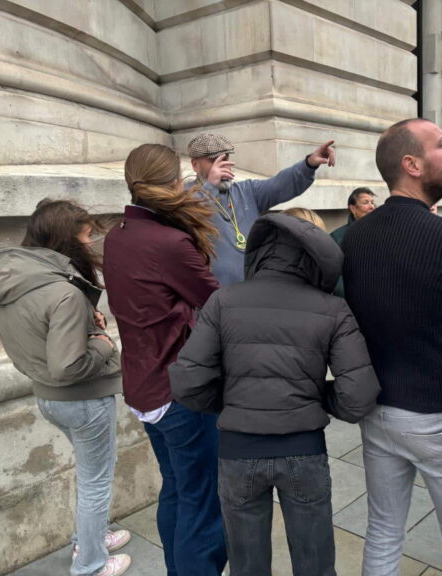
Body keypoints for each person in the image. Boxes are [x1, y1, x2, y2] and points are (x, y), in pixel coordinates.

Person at [169, 210, 380, 576]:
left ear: (263, 248)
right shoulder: (332, 308)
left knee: (247, 567)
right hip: (303, 450)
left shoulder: (223, 301)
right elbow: (358, 396)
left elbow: (187, 381)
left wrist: (234, 401)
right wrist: (317, 398)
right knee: (315, 565)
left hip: (238, 451)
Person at [342, 118, 442, 576]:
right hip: (439, 414)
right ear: (411, 164)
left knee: (383, 532)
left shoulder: (354, 237)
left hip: (379, 409)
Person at [0, 200, 129, 576]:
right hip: (83, 398)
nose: (91, 241)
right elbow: (68, 365)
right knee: (97, 478)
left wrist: (85, 320)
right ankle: (91, 563)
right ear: (66, 240)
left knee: (90, 472)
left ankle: (90, 538)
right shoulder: (62, 292)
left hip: (47, 396)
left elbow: (36, 334)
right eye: (86, 235)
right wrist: (101, 342)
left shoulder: (10, 277)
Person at [103, 144, 225, 576]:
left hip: (144, 384)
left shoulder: (118, 234)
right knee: (201, 499)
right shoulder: (169, 242)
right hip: (180, 391)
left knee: (177, 488)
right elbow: (218, 303)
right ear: (174, 181)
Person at [186, 132, 336, 285]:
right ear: (195, 165)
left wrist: (309, 164)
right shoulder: (184, 196)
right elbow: (192, 215)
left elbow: (280, 184)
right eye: (213, 161)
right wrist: (210, 186)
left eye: (225, 159)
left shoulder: (247, 190)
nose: (222, 166)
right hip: (213, 296)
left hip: (254, 290)